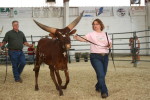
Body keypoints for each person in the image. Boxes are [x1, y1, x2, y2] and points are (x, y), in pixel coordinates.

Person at [74, 18, 112, 98]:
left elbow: (110, 43)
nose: (95, 26)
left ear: (100, 25)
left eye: (97, 24)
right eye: (94, 24)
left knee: (102, 74)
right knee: (101, 74)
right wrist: (77, 37)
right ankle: (104, 91)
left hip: (105, 56)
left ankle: (98, 86)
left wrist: (109, 45)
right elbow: (83, 39)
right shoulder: (91, 34)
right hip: (95, 57)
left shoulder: (105, 34)